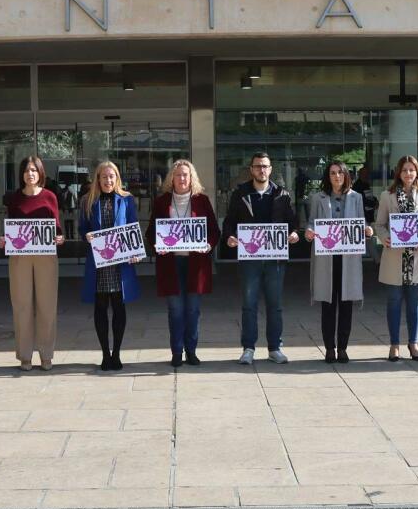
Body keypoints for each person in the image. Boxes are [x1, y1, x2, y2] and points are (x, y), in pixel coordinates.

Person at [223, 152, 300, 365]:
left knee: (275, 305)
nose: (262, 170)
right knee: (249, 305)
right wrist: (229, 236)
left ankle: (275, 348)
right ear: (251, 169)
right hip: (250, 260)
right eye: (258, 166)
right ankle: (248, 348)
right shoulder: (240, 194)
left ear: (271, 169)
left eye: (265, 166)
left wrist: (294, 234)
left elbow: (293, 222)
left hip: (275, 260)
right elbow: (229, 221)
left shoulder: (282, 194)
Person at [147, 159, 219, 367]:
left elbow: (214, 231)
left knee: (193, 310)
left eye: (185, 175)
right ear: (172, 178)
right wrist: (156, 245)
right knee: (175, 310)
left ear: (192, 177)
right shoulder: (162, 202)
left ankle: (192, 351)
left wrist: (208, 244)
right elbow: (151, 231)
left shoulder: (202, 200)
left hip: (195, 265)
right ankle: (177, 352)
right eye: (178, 175)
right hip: (171, 264)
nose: (182, 178)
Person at [0, 156, 64, 371]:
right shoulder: (14, 198)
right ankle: (25, 356)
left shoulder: (50, 197)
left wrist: (60, 238)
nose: (30, 174)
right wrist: (4, 240)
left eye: (34, 170)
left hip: (45, 255)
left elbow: (57, 228)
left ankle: (46, 355)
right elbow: (10, 227)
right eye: (26, 170)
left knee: (47, 305)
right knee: (22, 305)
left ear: (41, 173)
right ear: (21, 174)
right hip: (20, 257)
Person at [306, 161, 372, 363]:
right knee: (328, 303)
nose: (337, 177)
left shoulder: (356, 198)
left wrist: (367, 231)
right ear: (328, 176)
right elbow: (311, 222)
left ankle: (343, 347)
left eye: (340, 173)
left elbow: (362, 223)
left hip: (348, 258)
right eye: (333, 173)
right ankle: (329, 348)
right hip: (326, 258)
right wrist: (309, 232)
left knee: (346, 304)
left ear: (346, 176)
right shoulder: (318, 198)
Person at [80, 161, 141, 371]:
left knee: (118, 307)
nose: (108, 180)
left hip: (120, 263)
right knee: (100, 308)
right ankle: (105, 353)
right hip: (99, 264)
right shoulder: (88, 201)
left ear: (117, 178)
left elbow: (133, 226)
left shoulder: (126, 200)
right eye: (104, 177)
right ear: (98, 179)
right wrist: (86, 235)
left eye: (111, 176)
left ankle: (117, 353)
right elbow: (82, 229)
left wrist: (135, 252)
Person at [374, 155, 418, 362]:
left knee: (414, 302)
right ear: (398, 173)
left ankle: (414, 343)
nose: (408, 173)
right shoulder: (387, 196)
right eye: (404, 170)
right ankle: (394, 344)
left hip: (416, 259)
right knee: (394, 301)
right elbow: (379, 224)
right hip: (394, 256)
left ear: (417, 172)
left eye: (412, 169)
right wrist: (385, 238)